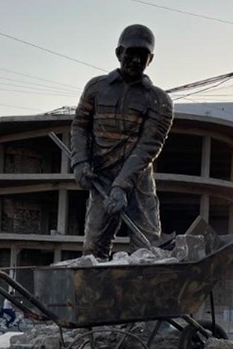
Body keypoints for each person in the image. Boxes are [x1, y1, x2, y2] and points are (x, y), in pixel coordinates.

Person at [71, 24, 174, 260]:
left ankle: (143, 296)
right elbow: (79, 126)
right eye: (131, 53)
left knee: (147, 250)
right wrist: (80, 161)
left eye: (143, 55)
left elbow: (149, 147)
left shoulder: (159, 100)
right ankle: (97, 296)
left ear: (151, 59)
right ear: (119, 53)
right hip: (102, 177)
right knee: (93, 248)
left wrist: (121, 186)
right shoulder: (96, 88)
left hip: (137, 182)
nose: (136, 60)